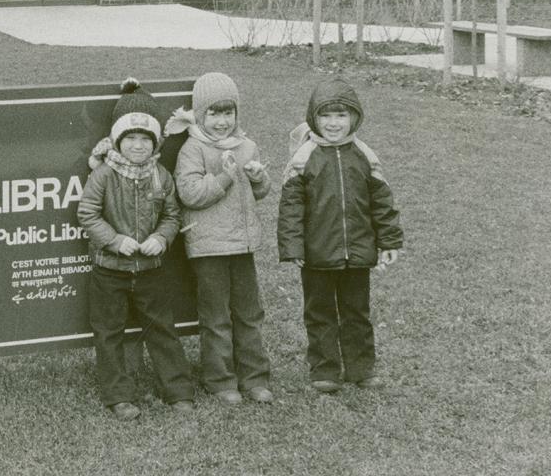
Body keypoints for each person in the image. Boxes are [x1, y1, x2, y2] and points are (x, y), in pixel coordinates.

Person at [78, 79, 195, 420]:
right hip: (108, 269)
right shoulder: (103, 174)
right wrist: (115, 240)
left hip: (150, 270)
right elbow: (87, 213)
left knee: (162, 330)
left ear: (156, 142)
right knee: (109, 332)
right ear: (117, 140)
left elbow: (172, 214)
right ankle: (119, 395)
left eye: (146, 139)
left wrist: (161, 238)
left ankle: (178, 390)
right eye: (131, 138)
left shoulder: (161, 175)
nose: (139, 146)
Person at [278, 79, 404, 393]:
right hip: (317, 254)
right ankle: (325, 371)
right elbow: (291, 207)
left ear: (354, 118)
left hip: (358, 253)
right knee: (319, 313)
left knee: (357, 313)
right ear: (313, 118)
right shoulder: (304, 157)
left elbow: (382, 202)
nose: (334, 123)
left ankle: (361, 368)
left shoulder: (363, 154)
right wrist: (293, 245)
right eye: (326, 116)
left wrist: (389, 241)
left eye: (341, 116)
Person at [172, 72, 274, 405]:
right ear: (200, 114)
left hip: (242, 245)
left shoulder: (246, 145)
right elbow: (189, 194)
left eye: (228, 113)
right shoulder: (192, 148)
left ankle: (254, 377)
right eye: (214, 113)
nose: (222, 121)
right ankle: (220, 380)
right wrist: (226, 177)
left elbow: (257, 192)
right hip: (209, 247)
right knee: (216, 317)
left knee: (249, 313)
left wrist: (259, 179)